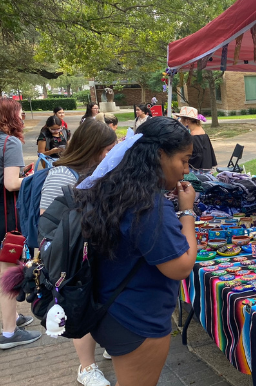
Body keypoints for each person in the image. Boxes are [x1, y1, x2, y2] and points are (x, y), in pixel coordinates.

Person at [76, 117, 197, 385]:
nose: (186, 170)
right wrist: (187, 210)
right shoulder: (149, 205)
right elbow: (181, 266)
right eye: (184, 160)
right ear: (160, 154)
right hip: (136, 319)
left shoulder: (115, 187)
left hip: (111, 309)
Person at [39, 119, 116, 386]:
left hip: (90, 250)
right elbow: (47, 222)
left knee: (96, 299)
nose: (112, 155)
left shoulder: (97, 171)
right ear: (93, 148)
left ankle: (107, 343)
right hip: (70, 258)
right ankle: (86, 368)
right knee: (78, 303)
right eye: (108, 149)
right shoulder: (63, 173)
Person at [0, 98, 41, 349]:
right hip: (7, 214)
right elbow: (11, 183)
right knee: (9, 270)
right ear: (11, 116)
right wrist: (36, 177)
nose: (22, 117)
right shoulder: (10, 143)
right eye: (20, 113)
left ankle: (13, 317)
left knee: (4, 267)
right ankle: (9, 333)